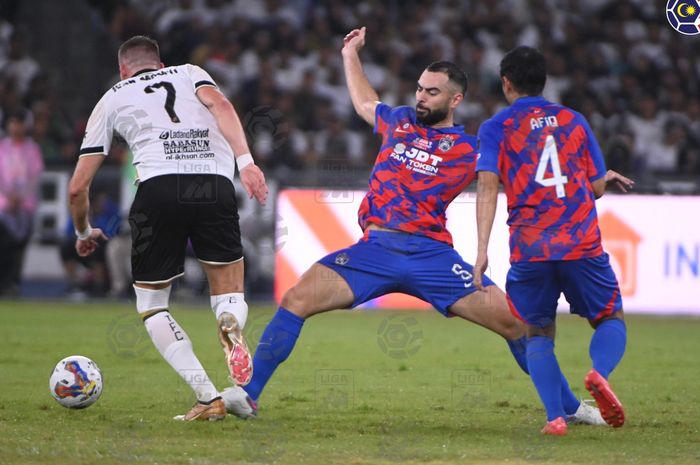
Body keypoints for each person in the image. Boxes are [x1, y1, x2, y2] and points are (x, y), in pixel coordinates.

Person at [223, 28, 604, 427]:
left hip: (432, 256)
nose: (421, 96)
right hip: (374, 250)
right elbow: (365, 102)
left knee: (516, 323)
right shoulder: (399, 121)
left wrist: (586, 175)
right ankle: (248, 397)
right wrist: (350, 54)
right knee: (297, 298)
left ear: (456, 100)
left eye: (432, 92)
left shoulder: (471, 149)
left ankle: (570, 409)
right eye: (420, 89)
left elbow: (531, 177)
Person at [68, 36, 268, 421]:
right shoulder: (191, 73)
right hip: (213, 184)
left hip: (157, 189)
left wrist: (83, 232)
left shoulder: (112, 97)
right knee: (228, 287)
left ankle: (207, 396)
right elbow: (222, 105)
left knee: (153, 305)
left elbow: (78, 187)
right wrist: (246, 162)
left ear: (124, 69)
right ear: (160, 66)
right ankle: (230, 324)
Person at [473, 46, 634, 436]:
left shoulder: (496, 127)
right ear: (544, 81)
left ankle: (555, 419)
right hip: (580, 241)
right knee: (609, 317)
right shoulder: (574, 120)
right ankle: (599, 373)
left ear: (506, 83)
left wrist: (481, 252)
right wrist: (600, 177)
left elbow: (487, 186)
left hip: (532, 247)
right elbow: (595, 187)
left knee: (538, 331)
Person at [0, 110, 44, 296]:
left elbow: (35, 177)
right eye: (13, 122)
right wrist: (8, 195)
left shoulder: (32, 149)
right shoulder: (2, 148)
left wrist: (21, 196)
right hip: (4, 205)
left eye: (19, 123)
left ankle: (13, 283)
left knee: (20, 247)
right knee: (5, 244)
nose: (16, 127)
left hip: (25, 205)